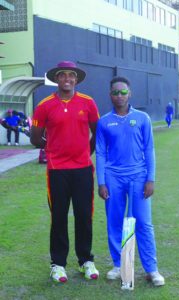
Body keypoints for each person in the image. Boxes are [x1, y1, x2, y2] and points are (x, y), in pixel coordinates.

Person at [30, 61, 100, 283]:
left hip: (82, 170)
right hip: (57, 171)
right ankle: (58, 264)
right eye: (62, 75)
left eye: (71, 75)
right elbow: (34, 138)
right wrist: (54, 150)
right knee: (58, 217)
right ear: (56, 79)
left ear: (76, 79)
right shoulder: (44, 105)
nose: (67, 79)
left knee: (84, 216)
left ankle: (85, 261)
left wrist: (83, 153)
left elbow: (96, 134)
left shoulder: (88, 103)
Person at [96, 76, 165, 287]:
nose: (119, 96)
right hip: (113, 177)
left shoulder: (142, 118)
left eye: (123, 92)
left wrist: (150, 178)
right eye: (115, 92)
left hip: (138, 176)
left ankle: (151, 269)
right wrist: (101, 182)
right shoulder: (104, 121)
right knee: (115, 222)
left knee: (143, 223)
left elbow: (149, 149)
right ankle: (120, 266)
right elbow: (100, 153)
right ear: (110, 95)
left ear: (130, 93)